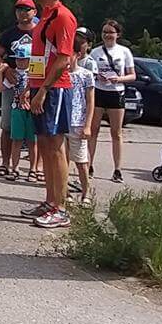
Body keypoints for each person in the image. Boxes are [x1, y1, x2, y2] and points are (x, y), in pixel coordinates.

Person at [23, 0, 80, 229]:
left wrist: (44, 89)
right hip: (39, 87)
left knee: (56, 148)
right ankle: (49, 201)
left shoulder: (63, 17)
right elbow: (39, 56)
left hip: (55, 89)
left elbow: (63, 59)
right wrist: (29, 86)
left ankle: (61, 207)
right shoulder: (44, 16)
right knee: (45, 147)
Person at [83, 18, 135, 183]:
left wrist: (119, 79)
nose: (107, 35)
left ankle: (117, 169)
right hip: (98, 91)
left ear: (117, 34)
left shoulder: (124, 51)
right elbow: (87, 72)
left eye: (111, 32)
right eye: (105, 32)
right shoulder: (96, 52)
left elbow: (132, 75)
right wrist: (97, 76)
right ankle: (89, 165)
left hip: (116, 93)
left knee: (116, 133)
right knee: (93, 130)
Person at [0, 0, 38, 177]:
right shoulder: (9, 34)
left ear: (34, 12)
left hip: (34, 83)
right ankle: (6, 162)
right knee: (7, 125)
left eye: (27, 9)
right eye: (19, 9)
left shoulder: (40, 33)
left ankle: (37, 167)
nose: (22, 12)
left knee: (36, 128)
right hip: (13, 82)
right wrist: (5, 69)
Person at [0, 43, 35, 178]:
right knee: (17, 140)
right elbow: (1, 88)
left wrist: (27, 92)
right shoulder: (14, 73)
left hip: (31, 109)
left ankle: (33, 169)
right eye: (18, 59)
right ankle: (14, 167)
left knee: (33, 142)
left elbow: (37, 85)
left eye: (23, 59)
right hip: (17, 109)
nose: (19, 61)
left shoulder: (34, 73)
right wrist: (1, 73)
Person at [67, 30, 92, 198]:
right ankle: (64, 191)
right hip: (61, 122)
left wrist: (88, 125)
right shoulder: (59, 74)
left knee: (81, 161)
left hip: (78, 123)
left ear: (76, 54)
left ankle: (86, 193)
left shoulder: (85, 75)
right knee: (62, 160)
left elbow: (90, 101)